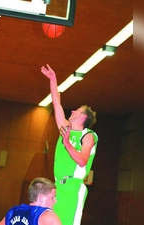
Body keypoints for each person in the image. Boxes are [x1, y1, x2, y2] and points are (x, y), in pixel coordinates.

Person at [40, 64, 98, 225]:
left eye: (77, 111)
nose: (72, 111)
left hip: (73, 187)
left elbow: (82, 161)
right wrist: (53, 79)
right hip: (58, 186)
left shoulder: (88, 136)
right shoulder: (65, 128)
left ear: (83, 118)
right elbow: (57, 103)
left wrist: (67, 144)